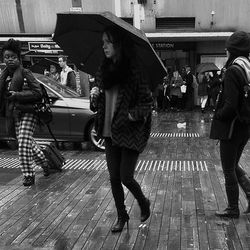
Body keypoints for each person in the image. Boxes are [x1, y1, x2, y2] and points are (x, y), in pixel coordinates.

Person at [90, 26, 152, 233]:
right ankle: (121, 216)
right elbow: (97, 106)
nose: (104, 46)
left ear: (118, 44)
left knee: (126, 177)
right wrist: (95, 96)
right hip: (108, 132)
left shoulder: (134, 71)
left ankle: (143, 202)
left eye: (108, 42)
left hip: (129, 132)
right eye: (102, 43)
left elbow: (146, 104)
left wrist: (131, 115)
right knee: (114, 178)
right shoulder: (103, 70)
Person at [210, 31, 250, 218]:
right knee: (233, 165)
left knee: (228, 168)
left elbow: (231, 104)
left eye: (227, 49)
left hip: (232, 128)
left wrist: (218, 115)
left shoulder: (233, 70)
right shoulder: (246, 66)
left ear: (233, 50)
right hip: (244, 126)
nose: (225, 52)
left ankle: (233, 208)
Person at [0, 39, 50, 186]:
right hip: (13, 114)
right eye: (6, 57)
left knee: (22, 143)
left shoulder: (25, 72)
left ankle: (28, 175)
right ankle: (44, 162)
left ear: (19, 58)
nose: (9, 60)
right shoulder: (3, 76)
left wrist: (17, 95)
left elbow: (38, 93)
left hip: (29, 111)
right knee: (28, 143)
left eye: (13, 57)